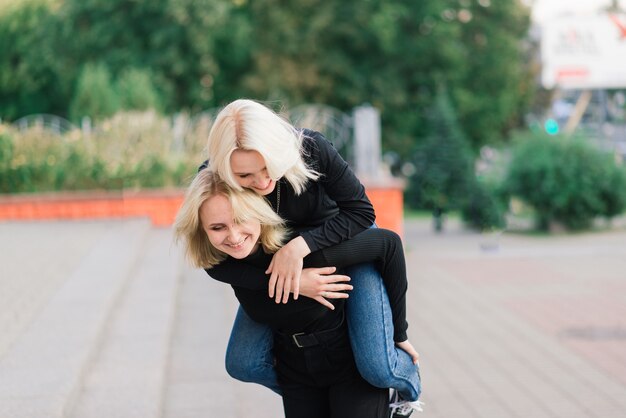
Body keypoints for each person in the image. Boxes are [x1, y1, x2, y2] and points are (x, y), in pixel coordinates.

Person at [200, 99, 422, 414]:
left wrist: (300, 247)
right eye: (246, 176)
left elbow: (361, 212)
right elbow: (210, 256)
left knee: (376, 363)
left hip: (345, 237)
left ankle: (402, 390)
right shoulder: (216, 181)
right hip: (283, 263)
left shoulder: (311, 149)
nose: (262, 182)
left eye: (268, 166)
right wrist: (295, 283)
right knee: (243, 360)